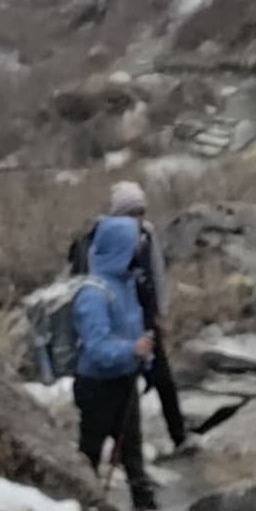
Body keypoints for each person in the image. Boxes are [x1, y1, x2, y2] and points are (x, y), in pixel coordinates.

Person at [71, 180, 187, 453]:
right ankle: (106, 466)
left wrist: (160, 313)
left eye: (140, 212)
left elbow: (156, 274)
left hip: (142, 319)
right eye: (131, 213)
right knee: (100, 428)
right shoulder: (104, 241)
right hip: (112, 329)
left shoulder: (145, 236)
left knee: (162, 379)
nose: (136, 220)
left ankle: (177, 436)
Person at [70, 211, 158, 511]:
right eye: (134, 243)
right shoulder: (93, 294)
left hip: (124, 381)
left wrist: (143, 356)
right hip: (97, 386)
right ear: (121, 247)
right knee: (90, 454)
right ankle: (84, 510)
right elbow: (96, 348)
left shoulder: (127, 284)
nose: (139, 249)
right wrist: (133, 349)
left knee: (133, 452)